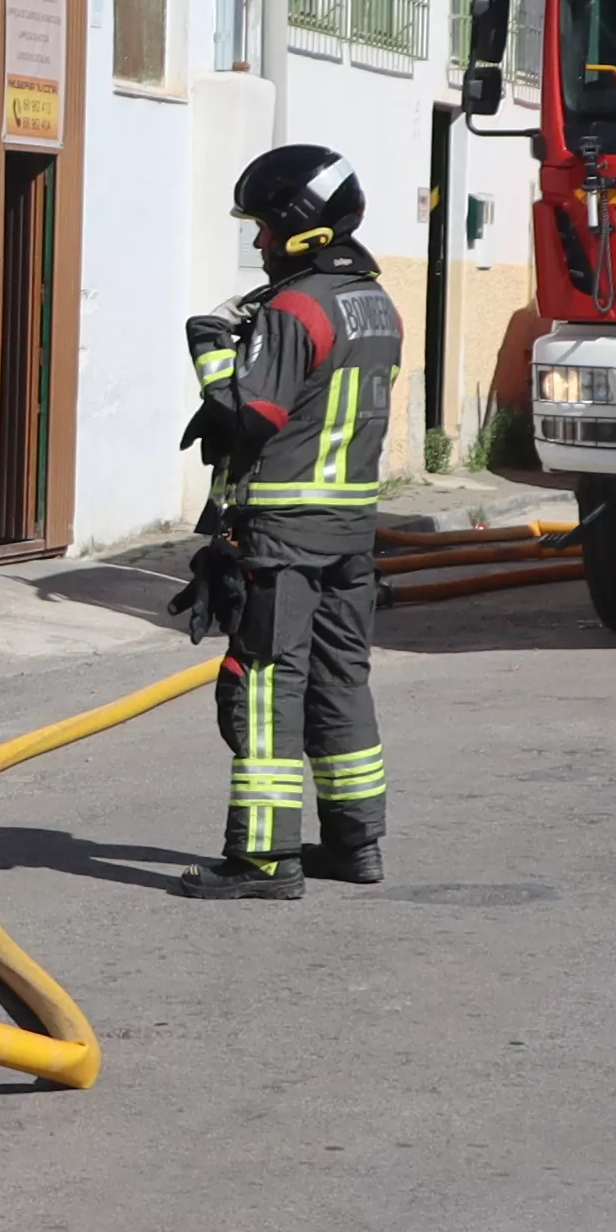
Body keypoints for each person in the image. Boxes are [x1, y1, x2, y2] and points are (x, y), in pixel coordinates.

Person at [177, 144, 402, 897]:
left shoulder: (294, 308)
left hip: (282, 534)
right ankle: (354, 844)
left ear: (299, 228)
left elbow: (253, 414)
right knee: (343, 682)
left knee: (267, 687)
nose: (257, 243)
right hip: (350, 532)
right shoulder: (375, 303)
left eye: (264, 229)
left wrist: (212, 351)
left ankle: (264, 861)